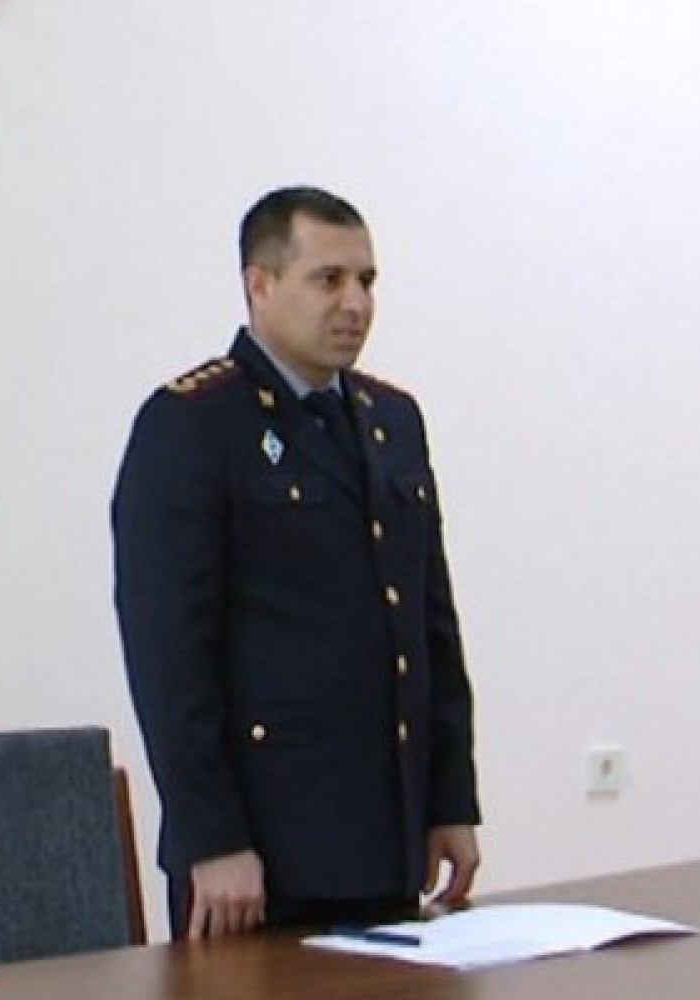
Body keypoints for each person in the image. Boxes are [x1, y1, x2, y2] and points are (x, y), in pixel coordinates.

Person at [112, 186, 480, 940]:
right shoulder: (194, 423)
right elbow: (169, 654)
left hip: (385, 838)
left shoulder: (391, 420)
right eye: (328, 280)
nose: (355, 304)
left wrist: (449, 800)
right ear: (260, 284)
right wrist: (211, 837)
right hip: (261, 856)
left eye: (366, 281)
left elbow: (428, 625)